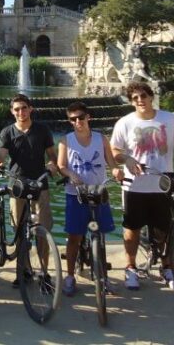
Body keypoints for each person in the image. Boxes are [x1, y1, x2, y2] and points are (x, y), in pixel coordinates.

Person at [110, 82, 174, 291]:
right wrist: (126, 159)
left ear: (151, 96)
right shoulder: (124, 123)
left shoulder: (169, 119)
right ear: (131, 101)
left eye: (143, 96)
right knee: (131, 229)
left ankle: (167, 267)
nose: (139, 100)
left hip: (163, 183)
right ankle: (130, 267)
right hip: (135, 185)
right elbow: (115, 150)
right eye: (134, 98)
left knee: (165, 228)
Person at [0, 94, 57, 286]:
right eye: (16, 109)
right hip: (17, 186)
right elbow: (1, 154)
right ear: (12, 112)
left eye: (24, 108)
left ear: (30, 109)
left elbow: (52, 155)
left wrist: (52, 165)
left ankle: (44, 273)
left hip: (40, 184)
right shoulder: (7, 132)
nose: (20, 112)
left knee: (43, 231)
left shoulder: (42, 130)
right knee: (19, 231)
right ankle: (23, 270)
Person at [57, 102, 123, 296]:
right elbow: (61, 165)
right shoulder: (65, 141)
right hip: (75, 194)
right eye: (73, 119)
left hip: (98, 192)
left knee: (100, 236)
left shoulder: (101, 139)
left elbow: (111, 162)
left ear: (88, 117)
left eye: (81, 117)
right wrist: (70, 174)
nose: (78, 122)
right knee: (74, 237)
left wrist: (117, 170)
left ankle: (104, 277)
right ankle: (70, 276)